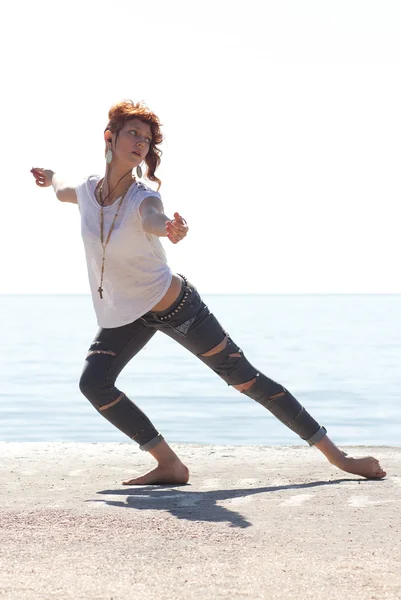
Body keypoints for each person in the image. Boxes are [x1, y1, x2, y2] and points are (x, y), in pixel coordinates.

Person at [30, 100, 386, 485]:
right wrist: (48, 175)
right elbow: (60, 185)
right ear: (110, 136)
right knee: (93, 382)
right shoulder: (86, 191)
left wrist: (169, 228)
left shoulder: (142, 197)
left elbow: (153, 217)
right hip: (128, 313)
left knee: (245, 380)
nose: (140, 144)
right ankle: (170, 465)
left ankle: (342, 459)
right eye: (133, 133)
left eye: (147, 140)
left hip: (177, 309)